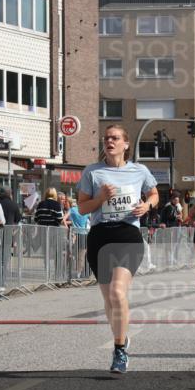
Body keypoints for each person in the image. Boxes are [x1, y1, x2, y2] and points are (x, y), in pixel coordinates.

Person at [77, 124, 158, 374]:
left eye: (115, 138)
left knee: (117, 292)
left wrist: (147, 206)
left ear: (126, 144)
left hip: (127, 234)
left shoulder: (139, 170)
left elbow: (154, 194)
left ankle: (120, 349)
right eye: (106, 138)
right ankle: (122, 337)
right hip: (100, 236)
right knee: (108, 299)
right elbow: (82, 208)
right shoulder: (92, 172)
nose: (109, 141)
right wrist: (100, 198)